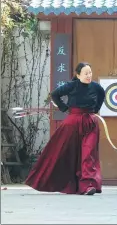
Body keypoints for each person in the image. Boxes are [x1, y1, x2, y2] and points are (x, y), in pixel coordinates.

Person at [25, 62, 105, 195]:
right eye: (85, 73)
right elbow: (55, 94)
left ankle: (88, 185)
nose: (88, 76)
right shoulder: (71, 86)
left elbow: (102, 96)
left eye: (90, 72)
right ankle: (66, 182)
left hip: (90, 122)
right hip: (73, 121)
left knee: (88, 153)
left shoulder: (96, 87)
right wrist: (65, 108)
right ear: (78, 75)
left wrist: (95, 110)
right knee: (66, 152)